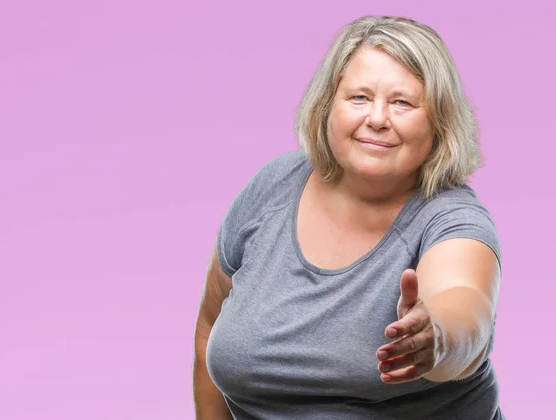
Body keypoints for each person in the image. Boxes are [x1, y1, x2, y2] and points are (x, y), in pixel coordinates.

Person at [193, 15, 503, 420]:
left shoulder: (452, 218)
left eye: (402, 102)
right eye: (359, 98)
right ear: (327, 106)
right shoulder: (274, 186)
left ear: (439, 123)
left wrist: (438, 338)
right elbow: (209, 327)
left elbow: (466, 308)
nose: (376, 118)